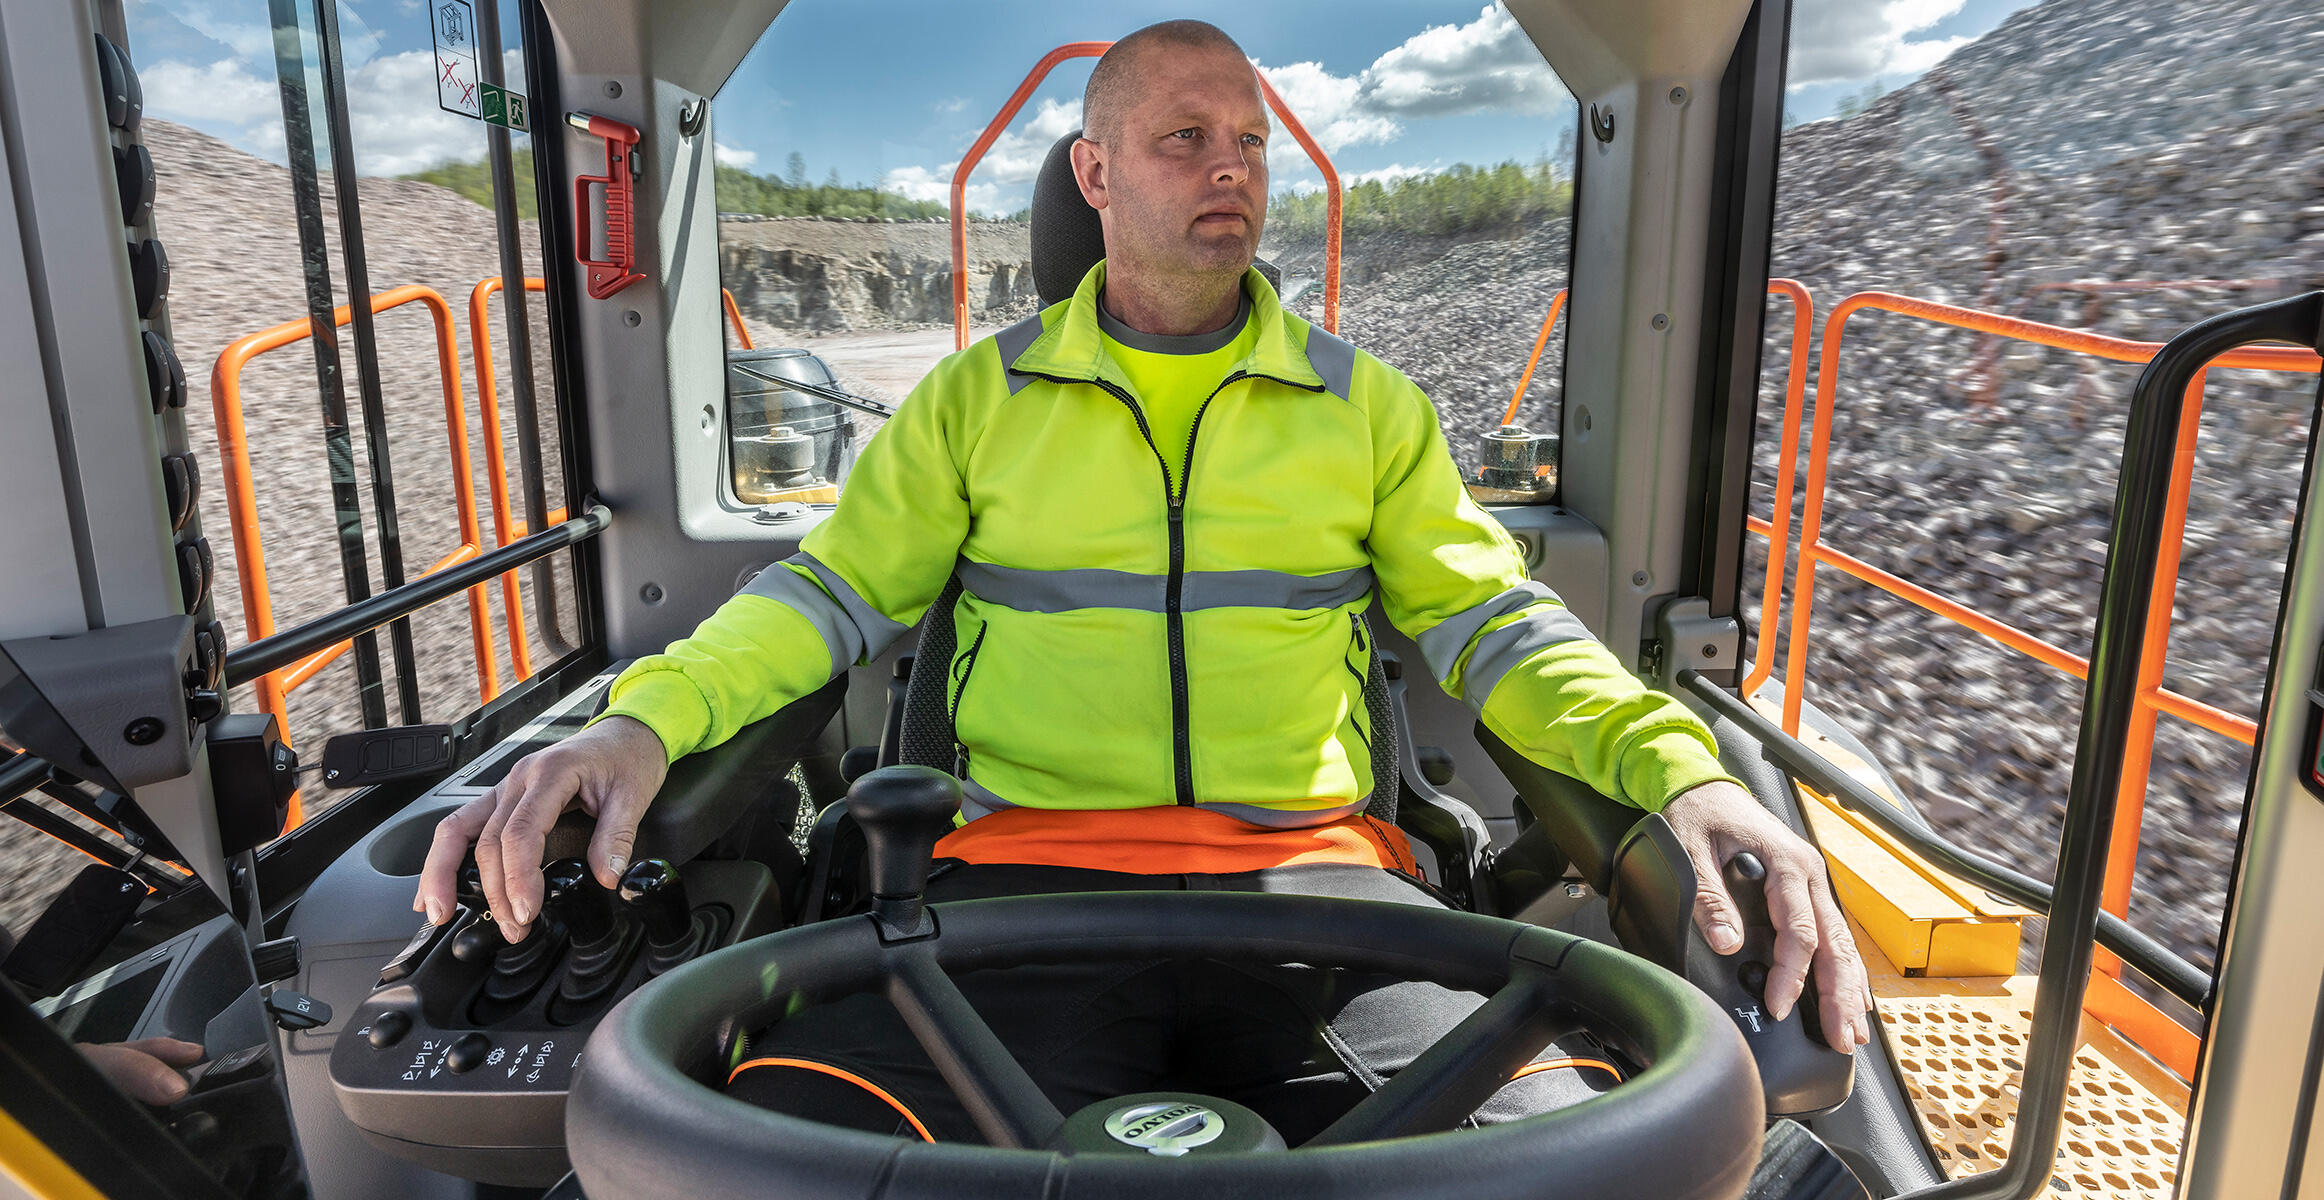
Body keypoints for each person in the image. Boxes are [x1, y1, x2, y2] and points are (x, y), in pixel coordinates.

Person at [415, 18, 1869, 1140]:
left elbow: (1499, 626)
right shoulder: (975, 402)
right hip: (1005, 894)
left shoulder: (1366, 408)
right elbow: (824, 599)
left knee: (1556, 1157)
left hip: (1320, 894)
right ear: (1096, 177)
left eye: (1248, 138)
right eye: (1183, 136)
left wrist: (1682, 774)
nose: (1232, 165)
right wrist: (640, 722)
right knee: (777, 1151)